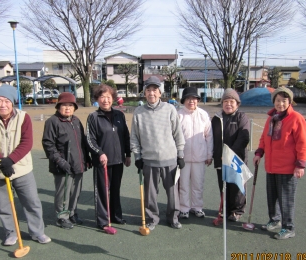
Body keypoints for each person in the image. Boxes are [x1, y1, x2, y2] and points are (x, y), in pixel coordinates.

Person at [0, 84, 51, 245]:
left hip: (21, 168)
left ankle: (37, 232)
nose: (3, 105)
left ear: (13, 102)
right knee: (4, 205)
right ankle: (11, 233)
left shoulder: (23, 117)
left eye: (6, 101)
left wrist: (10, 160)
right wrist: (0, 161)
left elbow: (26, 142)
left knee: (31, 201)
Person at [253, 87, 306, 240]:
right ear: (274, 102)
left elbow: (302, 143)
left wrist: (300, 164)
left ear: (289, 102)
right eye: (278, 100)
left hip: (288, 167)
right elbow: (264, 138)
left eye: (284, 100)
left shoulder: (296, 118)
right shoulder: (272, 118)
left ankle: (288, 227)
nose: (280, 104)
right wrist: (259, 153)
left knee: (286, 199)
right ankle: (274, 220)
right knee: (272, 197)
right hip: (271, 166)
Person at [130, 76, 185, 231]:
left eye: (154, 90)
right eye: (148, 90)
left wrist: (180, 154)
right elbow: (134, 136)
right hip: (149, 160)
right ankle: (152, 218)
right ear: (144, 93)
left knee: (173, 193)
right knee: (150, 194)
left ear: (160, 92)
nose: (151, 93)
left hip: (170, 159)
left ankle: (173, 218)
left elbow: (178, 133)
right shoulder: (139, 112)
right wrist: (137, 157)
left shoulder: (170, 109)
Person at [42, 92, 91, 229]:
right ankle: (62, 216)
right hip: (62, 165)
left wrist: (86, 159)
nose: (67, 108)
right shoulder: (52, 122)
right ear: (58, 107)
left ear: (74, 107)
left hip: (78, 163)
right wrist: (60, 161)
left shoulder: (76, 121)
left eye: (70, 105)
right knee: (63, 192)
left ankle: (72, 213)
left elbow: (82, 142)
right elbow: (48, 144)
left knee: (75, 191)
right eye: (64, 105)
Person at [86, 84, 131, 232]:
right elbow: (90, 140)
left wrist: (128, 154)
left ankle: (116, 216)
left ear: (113, 99)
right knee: (102, 191)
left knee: (115, 189)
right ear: (97, 99)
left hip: (118, 160)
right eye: (102, 97)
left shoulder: (119, 115)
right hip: (102, 162)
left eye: (109, 97)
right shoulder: (93, 117)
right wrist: (100, 153)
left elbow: (125, 135)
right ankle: (103, 221)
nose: (106, 100)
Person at [212, 88, 250, 222]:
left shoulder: (242, 117)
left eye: (231, 101)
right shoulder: (217, 119)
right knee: (223, 185)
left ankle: (236, 210)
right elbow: (212, 139)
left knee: (237, 186)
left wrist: (230, 153)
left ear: (237, 104)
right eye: (226, 101)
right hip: (220, 159)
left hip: (236, 159)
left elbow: (244, 138)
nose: (228, 104)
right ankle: (226, 208)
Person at [178, 87, 213, 219]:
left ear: (197, 100)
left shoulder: (203, 114)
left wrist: (209, 155)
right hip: (183, 157)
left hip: (200, 156)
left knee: (198, 184)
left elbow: (209, 136)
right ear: (184, 100)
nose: (191, 101)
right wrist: (177, 155)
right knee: (184, 184)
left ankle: (197, 207)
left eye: (194, 98)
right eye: (188, 98)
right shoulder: (178, 114)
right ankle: (184, 208)